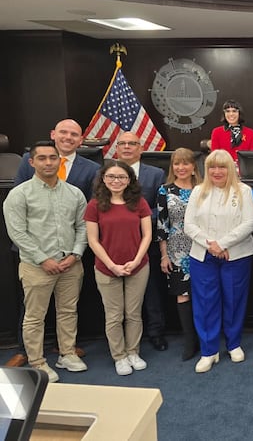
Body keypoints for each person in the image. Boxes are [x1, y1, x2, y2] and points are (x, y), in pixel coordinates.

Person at [7, 119, 99, 368]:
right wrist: (42, 259)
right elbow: (17, 231)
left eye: (52, 159)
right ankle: (36, 361)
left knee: (68, 311)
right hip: (37, 264)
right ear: (32, 162)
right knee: (34, 316)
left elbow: (83, 225)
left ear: (60, 161)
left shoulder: (74, 193)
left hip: (70, 263)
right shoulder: (19, 194)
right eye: (43, 158)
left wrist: (76, 254)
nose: (48, 162)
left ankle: (67, 354)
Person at [183, 150, 253, 373]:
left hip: (236, 255)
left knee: (234, 299)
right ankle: (209, 350)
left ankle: (233, 344)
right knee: (205, 302)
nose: (217, 171)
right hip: (203, 256)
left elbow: (249, 223)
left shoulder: (243, 191)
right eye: (212, 167)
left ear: (231, 169)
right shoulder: (198, 191)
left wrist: (223, 244)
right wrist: (212, 246)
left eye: (222, 167)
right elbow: (189, 225)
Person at [84, 160, 152, 376]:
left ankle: (133, 352)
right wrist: (112, 265)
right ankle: (120, 356)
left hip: (138, 266)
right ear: (103, 179)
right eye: (111, 176)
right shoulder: (94, 205)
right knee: (114, 315)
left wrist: (136, 259)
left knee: (133, 313)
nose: (116, 181)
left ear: (129, 180)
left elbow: (147, 235)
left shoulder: (139, 203)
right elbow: (93, 241)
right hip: (106, 268)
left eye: (122, 177)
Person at [116, 131, 169, 352]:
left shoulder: (155, 174)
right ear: (117, 148)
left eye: (132, 144)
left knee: (151, 290)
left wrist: (139, 224)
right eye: (123, 144)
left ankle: (156, 332)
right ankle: (121, 338)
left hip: (146, 241)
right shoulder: (107, 173)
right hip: (115, 242)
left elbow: (161, 208)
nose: (127, 147)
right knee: (117, 294)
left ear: (140, 148)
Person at [156, 148, 201, 362]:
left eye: (185, 163)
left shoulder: (203, 190)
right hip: (177, 251)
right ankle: (190, 340)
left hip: (202, 247)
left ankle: (205, 337)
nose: (181, 168)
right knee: (183, 294)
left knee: (202, 293)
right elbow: (162, 224)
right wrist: (164, 255)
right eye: (176, 164)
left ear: (193, 167)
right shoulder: (165, 191)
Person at [209, 99, 253, 167]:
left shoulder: (250, 133)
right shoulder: (217, 132)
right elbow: (214, 156)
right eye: (227, 111)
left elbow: (252, 157)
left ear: (239, 113)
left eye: (234, 111)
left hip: (244, 171)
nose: (231, 114)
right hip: (224, 170)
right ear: (224, 114)